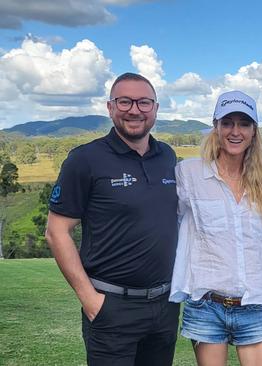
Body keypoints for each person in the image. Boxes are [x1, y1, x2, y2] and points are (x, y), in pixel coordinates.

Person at [45, 72, 180, 365]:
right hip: (111, 306)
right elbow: (57, 232)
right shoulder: (85, 159)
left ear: (155, 108)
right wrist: (91, 301)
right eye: (125, 101)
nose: (134, 110)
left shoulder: (167, 156)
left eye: (144, 102)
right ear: (110, 107)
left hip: (165, 306)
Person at [169, 90, 262, 366]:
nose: (235, 131)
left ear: (254, 132)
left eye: (244, 124)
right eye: (227, 123)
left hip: (254, 303)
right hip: (206, 305)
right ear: (216, 127)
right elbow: (166, 224)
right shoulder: (189, 174)